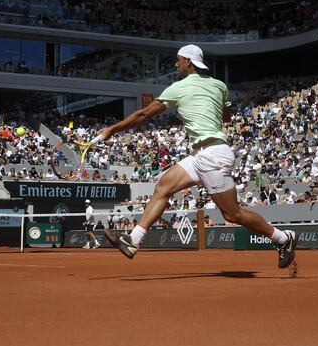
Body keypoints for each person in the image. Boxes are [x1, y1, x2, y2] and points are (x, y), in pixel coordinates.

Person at [98, 45, 298, 269]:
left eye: (178, 60)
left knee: (232, 214)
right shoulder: (219, 85)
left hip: (212, 155)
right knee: (163, 186)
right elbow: (226, 116)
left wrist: (111, 130)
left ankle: (282, 238)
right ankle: (133, 240)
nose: (175, 64)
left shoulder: (178, 88)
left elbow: (144, 114)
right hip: (201, 154)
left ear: (188, 62)